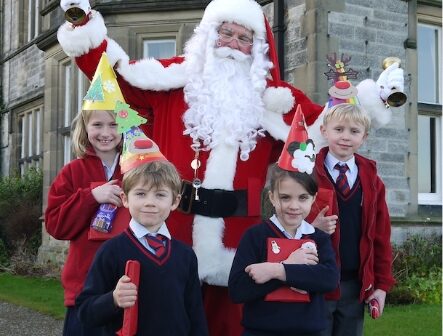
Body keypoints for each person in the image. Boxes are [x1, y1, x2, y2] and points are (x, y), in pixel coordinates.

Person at [57, 0, 403, 334]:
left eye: (244, 37)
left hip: (238, 237)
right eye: (226, 33)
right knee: (165, 315)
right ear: (209, 35)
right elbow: (116, 75)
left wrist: (374, 99)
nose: (233, 44)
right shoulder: (171, 82)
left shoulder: (275, 101)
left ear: (257, 49)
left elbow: (332, 122)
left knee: (232, 323)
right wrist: (81, 22)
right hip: (172, 225)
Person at [229, 107, 339, 335]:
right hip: (261, 331)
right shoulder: (256, 236)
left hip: (308, 330)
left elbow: (329, 280)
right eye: (285, 197)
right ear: (271, 196)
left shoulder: (317, 238)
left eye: (302, 198)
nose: (293, 206)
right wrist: (295, 268)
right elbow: (238, 290)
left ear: (313, 199)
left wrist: (277, 270)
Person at [44, 53, 131, 335]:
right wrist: (92, 196)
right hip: (84, 289)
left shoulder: (136, 170)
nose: (106, 132)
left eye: (114, 124)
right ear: (85, 127)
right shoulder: (72, 172)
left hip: (127, 287)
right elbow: (56, 225)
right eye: (97, 124)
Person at [76, 157, 209, 335]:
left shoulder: (185, 255)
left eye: (160, 195)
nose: (150, 202)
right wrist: (113, 299)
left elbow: (195, 314)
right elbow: (85, 312)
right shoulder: (111, 251)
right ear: (125, 199)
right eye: (140, 194)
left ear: (175, 202)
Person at [313, 103, 396, 336]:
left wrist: (381, 285)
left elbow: (381, 236)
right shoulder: (307, 174)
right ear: (324, 131)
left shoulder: (372, 181)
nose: (345, 137)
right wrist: (312, 227)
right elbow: (283, 224)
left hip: (354, 285)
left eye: (354, 131)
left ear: (364, 137)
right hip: (315, 283)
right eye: (338, 129)